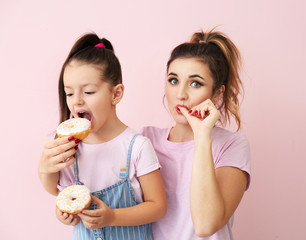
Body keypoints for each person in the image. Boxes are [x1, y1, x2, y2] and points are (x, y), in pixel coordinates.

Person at [38, 33, 166, 240]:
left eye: (88, 92)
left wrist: (113, 217)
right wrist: (45, 171)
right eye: (69, 93)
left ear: (116, 94)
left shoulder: (137, 146)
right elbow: (56, 190)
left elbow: (158, 207)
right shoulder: (70, 147)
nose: (76, 101)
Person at [141, 29, 251, 239]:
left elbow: (205, 225)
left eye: (195, 83)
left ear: (217, 93)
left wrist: (202, 137)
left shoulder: (232, 145)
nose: (180, 94)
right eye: (173, 80)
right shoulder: (146, 140)